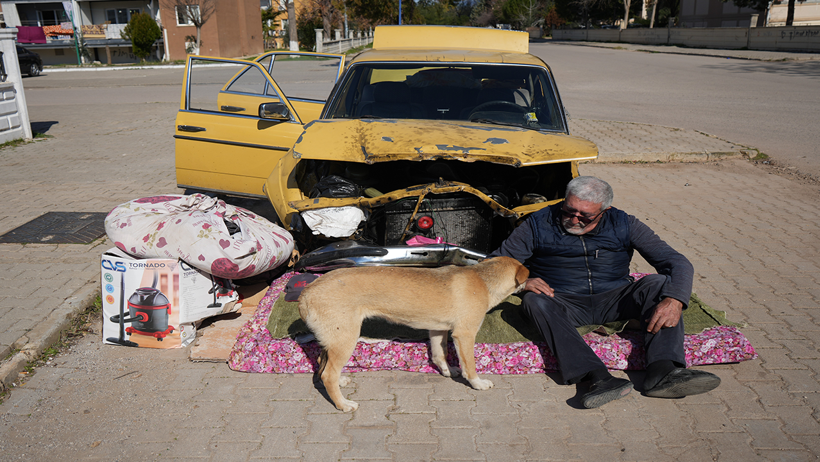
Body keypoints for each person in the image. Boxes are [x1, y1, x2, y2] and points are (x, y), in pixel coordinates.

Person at [490, 176, 720, 408]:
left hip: (616, 298)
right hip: (562, 301)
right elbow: (496, 264)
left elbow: (676, 262)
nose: (574, 219)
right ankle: (597, 378)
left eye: (585, 216)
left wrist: (676, 299)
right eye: (569, 211)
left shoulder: (624, 222)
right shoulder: (537, 224)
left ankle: (663, 372)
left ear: (604, 210)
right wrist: (523, 282)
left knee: (659, 284)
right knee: (533, 300)